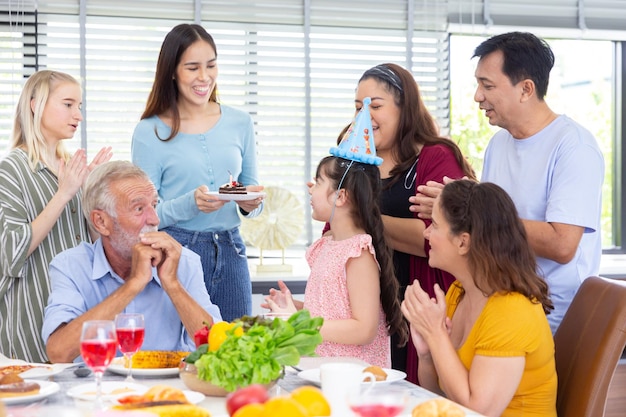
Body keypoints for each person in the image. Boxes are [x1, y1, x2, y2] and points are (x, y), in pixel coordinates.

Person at [411, 32, 604, 333]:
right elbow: (491, 235)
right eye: (478, 84)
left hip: (554, 317)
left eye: (487, 85)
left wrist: (474, 210)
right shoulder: (499, 145)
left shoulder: (574, 146)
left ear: (526, 89)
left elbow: (562, 243)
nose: (477, 96)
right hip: (502, 302)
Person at [350, 63, 476, 380]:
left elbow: (432, 238)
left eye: (375, 105)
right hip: (369, 314)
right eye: (357, 107)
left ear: (404, 107)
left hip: (422, 307)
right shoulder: (354, 161)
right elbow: (336, 234)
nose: (364, 115)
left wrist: (362, 217)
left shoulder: (435, 157)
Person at [131, 23, 264, 322]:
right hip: (175, 252)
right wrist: (191, 204)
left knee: (235, 352)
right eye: (192, 68)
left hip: (231, 252)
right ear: (173, 72)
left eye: (211, 65)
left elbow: (252, 192)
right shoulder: (149, 131)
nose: (204, 77)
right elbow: (143, 218)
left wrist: (250, 203)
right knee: (179, 355)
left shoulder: (240, 123)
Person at [264, 100, 408, 367]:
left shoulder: (358, 254)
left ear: (341, 196)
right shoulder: (327, 246)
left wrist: (298, 323)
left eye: (318, 182)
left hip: (352, 375)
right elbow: (327, 313)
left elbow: (363, 329)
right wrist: (292, 308)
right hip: (321, 368)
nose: (310, 188)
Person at [402, 180, 557, 417]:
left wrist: (436, 333)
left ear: (463, 242)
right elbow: (438, 394)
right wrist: (427, 354)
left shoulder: (511, 311)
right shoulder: (458, 292)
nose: (426, 233)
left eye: (433, 224)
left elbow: (479, 411)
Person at [42, 161, 222, 363]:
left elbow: (219, 351)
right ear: (101, 222)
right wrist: (134, 284)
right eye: (138, 209)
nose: (154, 219)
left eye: (154, 205)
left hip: (166, 390)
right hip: (94, 390)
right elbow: (58, 353)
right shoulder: (70, 266)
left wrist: (172, 284)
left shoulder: (184, 262)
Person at [0, 70, 112, 362]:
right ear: (36, 105)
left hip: (76, 309)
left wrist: (91, 195)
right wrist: (64, 194)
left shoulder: (70, 168)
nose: (78, 115)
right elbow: (11, 252)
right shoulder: (12, 170)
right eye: (68, 104)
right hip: (32, 313)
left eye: (80, 106)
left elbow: (89, 243)